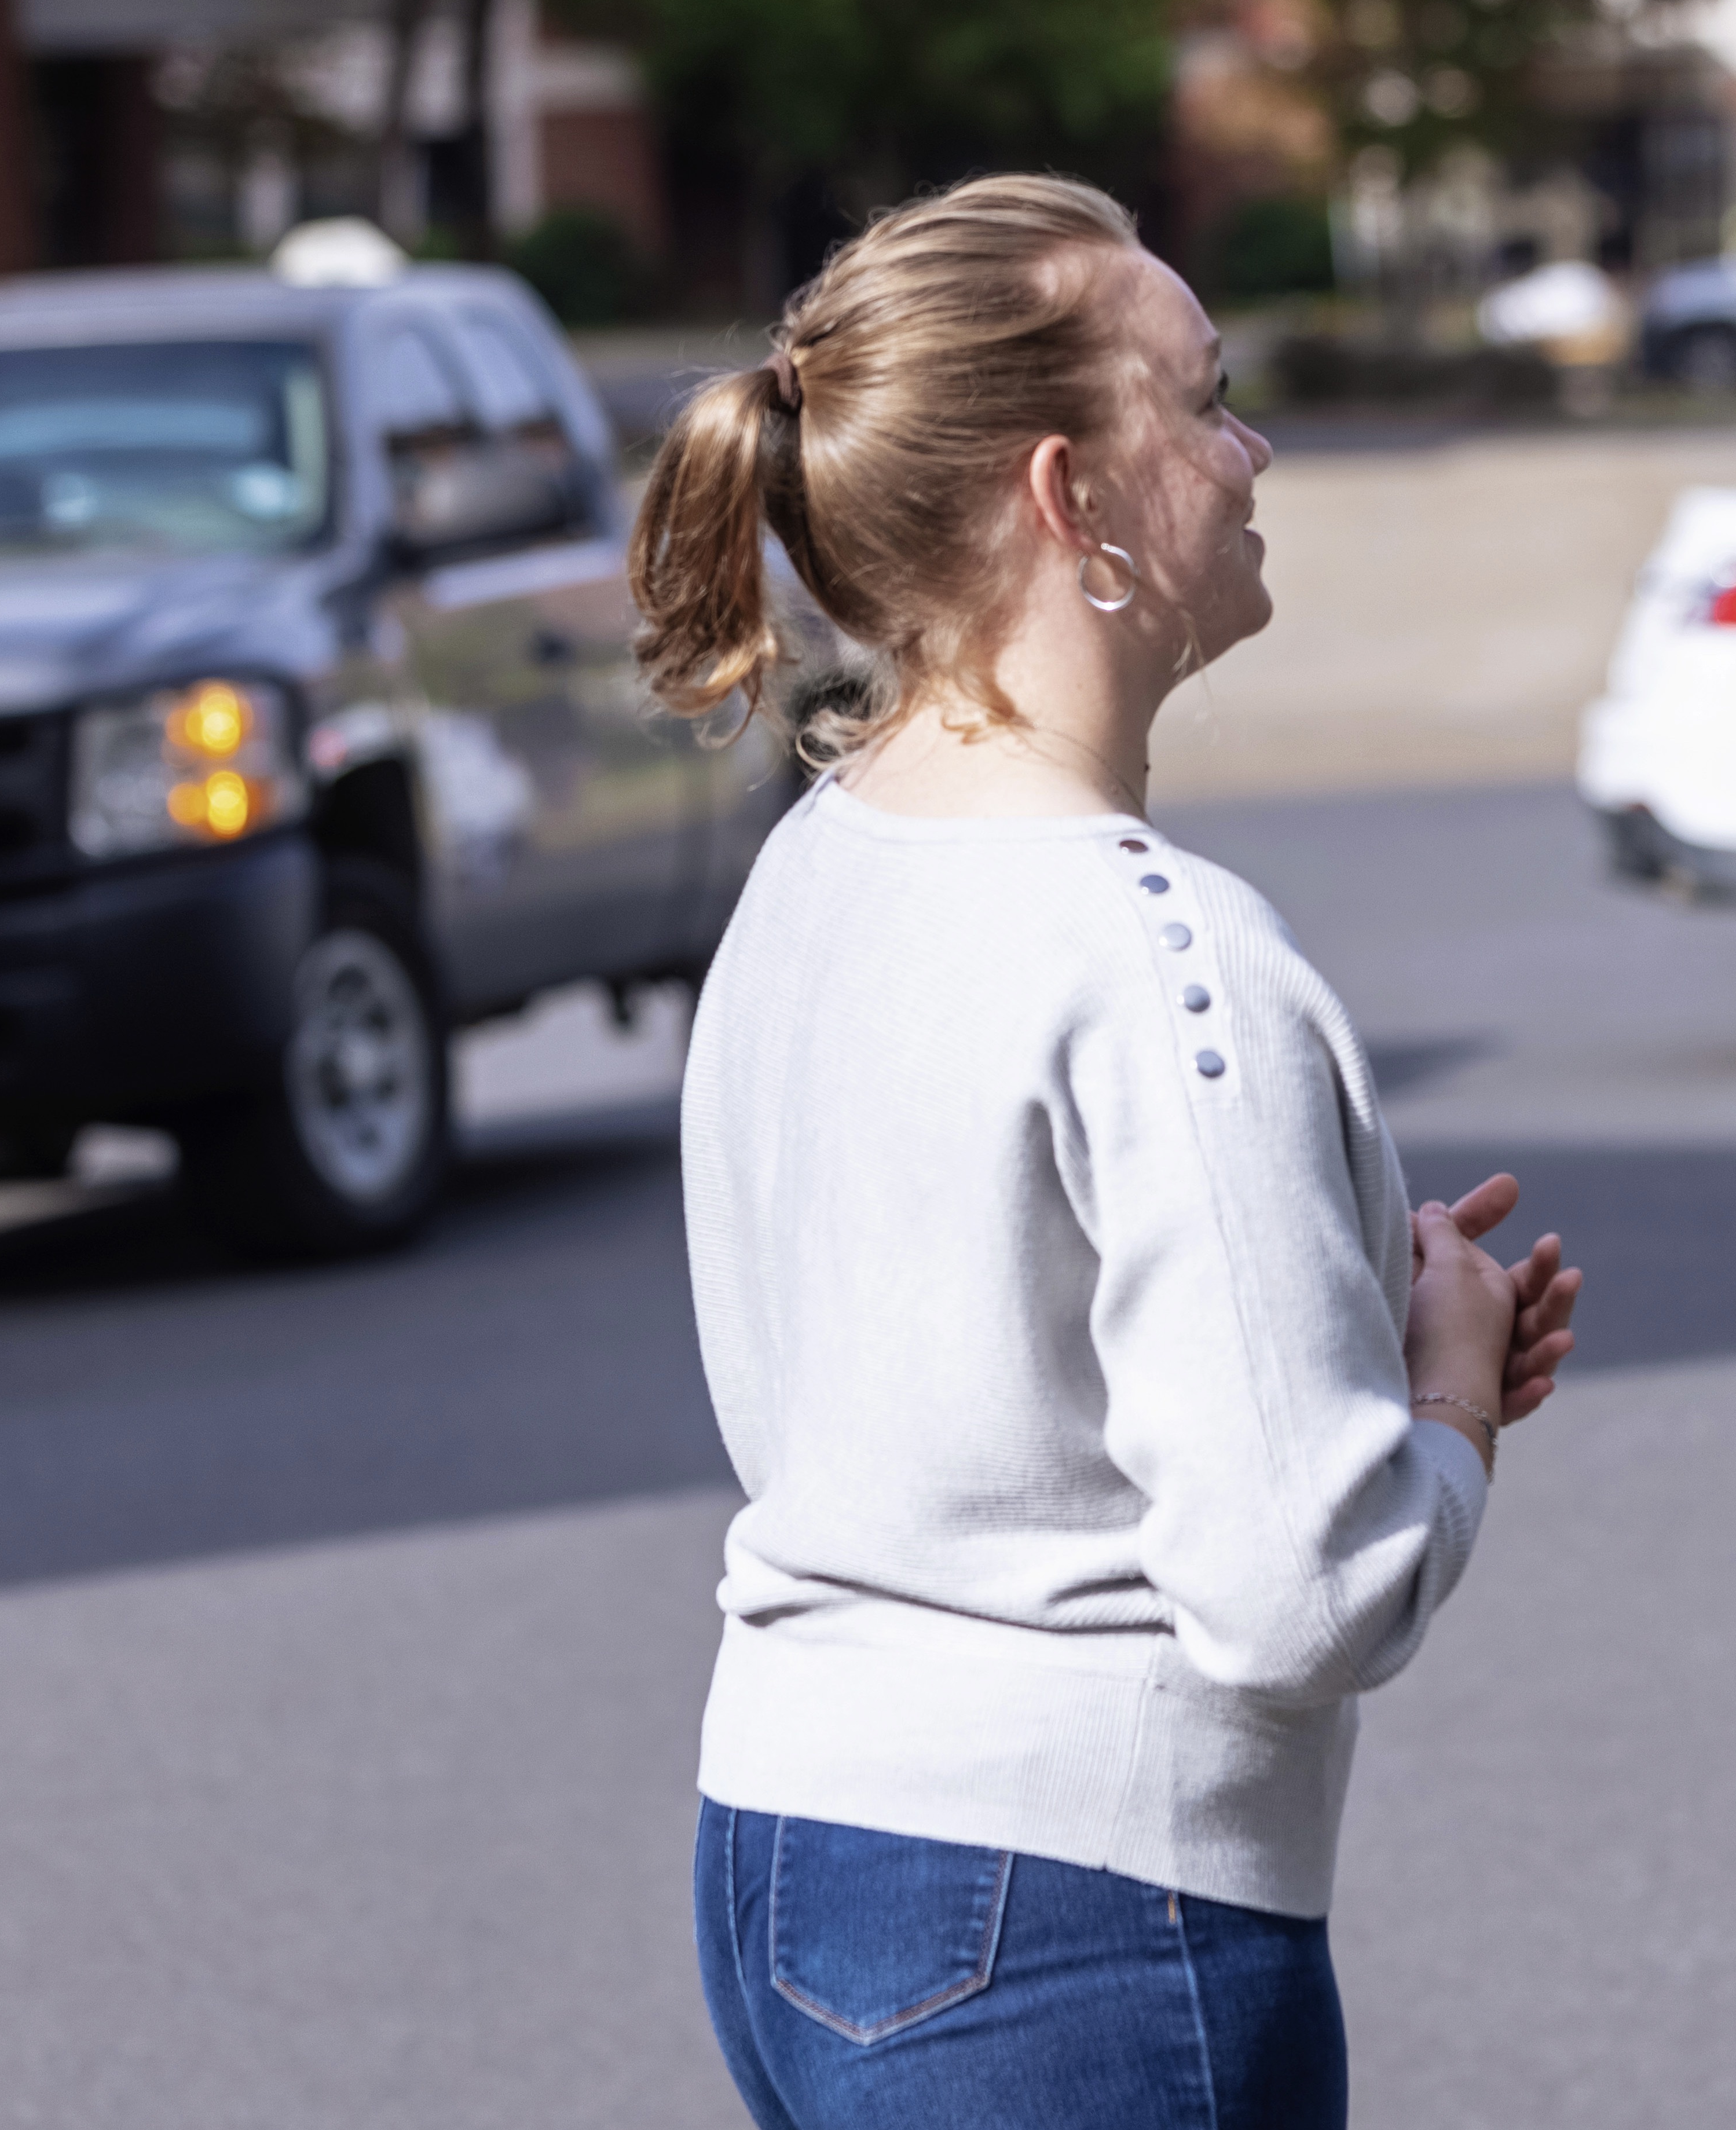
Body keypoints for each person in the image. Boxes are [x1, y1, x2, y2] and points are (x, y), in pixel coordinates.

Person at [629, 174, 1581, 2129]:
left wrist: (1326, 1306)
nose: (1252, 450)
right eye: (1208, 395)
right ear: (1072, 498)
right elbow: (1300, 1593)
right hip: (1074, 1920)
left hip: (790, 1854)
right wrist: (1447, 1402)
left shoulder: (820, 864)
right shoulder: (1164, 950)